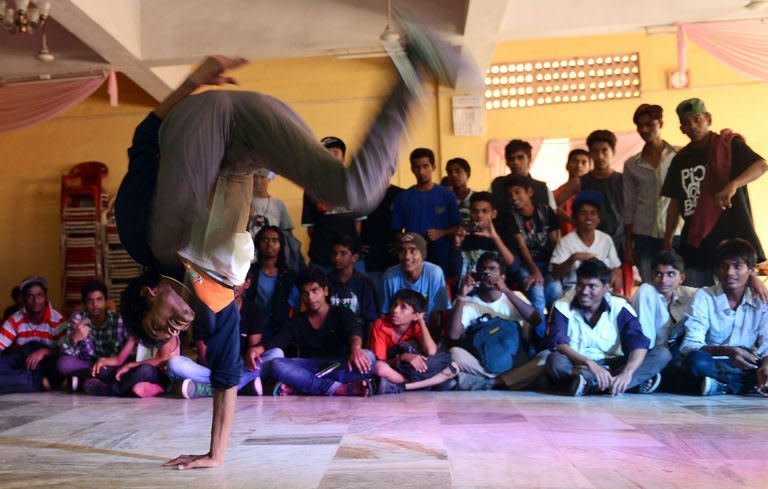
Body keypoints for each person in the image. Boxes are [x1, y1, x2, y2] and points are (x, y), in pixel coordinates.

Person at [115, 20, 474, 468]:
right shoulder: (217, 304)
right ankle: (412, 66)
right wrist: (215, 454)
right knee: (356, 193)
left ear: (150, 293)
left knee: (170, 245)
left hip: (203, 121)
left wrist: (193, 80)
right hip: (251, 138)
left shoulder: (140, 238)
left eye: (160, 325)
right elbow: (227, 378)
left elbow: (144, 143)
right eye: (169, 335)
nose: (172, 332)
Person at [661, 98, 767, 287]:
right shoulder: (680, 159)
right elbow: (675, 202)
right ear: (681, 129)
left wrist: (733, 184)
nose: (692, 126)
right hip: (696, 240)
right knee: (697, 297)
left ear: (708, 119)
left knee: (732, 298)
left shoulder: (728, 145)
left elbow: (761, 165)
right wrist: (668, 238)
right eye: (686, 123)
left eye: (697, 119)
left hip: (730, 235)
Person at [545, 259, 671, 396]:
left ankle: (591, 385)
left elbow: (639, 343)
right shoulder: (562, 306)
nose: (584, 291)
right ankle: (628, 384)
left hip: (615, 364)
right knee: (555, 361)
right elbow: (560, 344)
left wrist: (627, 373)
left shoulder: (620, 307)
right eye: (580, 285)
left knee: (662, 354)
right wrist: (589, 363)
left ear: (606, 288)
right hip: (580, 364)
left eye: (592, 286)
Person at [260, 269, 375, 396]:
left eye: (315, 291)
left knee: (369, 357)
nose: (310, 298)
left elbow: (354, 331)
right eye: (305, 293)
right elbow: (278, 341)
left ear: (325, 291)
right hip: (308, 366)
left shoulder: (342, 312)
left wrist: (356, 348)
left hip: (338, 365)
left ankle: (301, 386)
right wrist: (258, 348)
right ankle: (338, 388)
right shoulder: (297, 320)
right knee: (277, 364)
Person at [447, 252, 548, 391]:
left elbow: (536, 320)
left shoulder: (514, 296)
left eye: (492, 269)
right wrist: (461, 295)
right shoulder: (467, 302)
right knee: (454, 353)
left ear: (502, 276)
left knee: (546, 358)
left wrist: (506, 290)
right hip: (484, 363)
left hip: (516, 361)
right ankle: (509, 381)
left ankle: (489, 383)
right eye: (482, 269)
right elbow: (453, 335)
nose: (487, 273)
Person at [168, 275, 280, 399]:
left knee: (276, 354)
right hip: (213, 371)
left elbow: (252, 356)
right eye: (228, 280)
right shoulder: (206, 311)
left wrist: (240, 365)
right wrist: (226, 371)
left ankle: (208, 389)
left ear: (247, 283)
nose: (233, 285)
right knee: (174, 363)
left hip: (242, 368)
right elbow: (205, 359)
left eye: (237, 280)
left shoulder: (254, 310)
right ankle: (242, 387)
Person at [681, 239, 768, 396]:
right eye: (724, 266)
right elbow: (690, 344)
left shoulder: (760, 300)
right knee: (696, 362)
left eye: (737, 266)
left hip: (747, 363)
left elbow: (766, 344)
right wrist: (729, 352)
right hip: (714, 360)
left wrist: (765, 365)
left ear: (750, 270)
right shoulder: (704, 296)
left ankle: (719, 386)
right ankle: (742, 386)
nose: (729, 273)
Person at [623, 104, 679, 282]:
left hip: (677, 234)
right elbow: (629, 205)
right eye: (640, 126)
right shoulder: (632, 164)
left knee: (677, 287)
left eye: (649, 124)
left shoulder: (679, 155)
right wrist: (629, 245)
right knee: (649, 286)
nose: (644, 130)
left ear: (660, 123)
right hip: (644, 236)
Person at [506, 175, 562, 340]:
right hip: (526, 264)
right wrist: (535, 271)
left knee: (555, 289)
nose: (514, 198)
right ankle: (540, 340)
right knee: (537, 291)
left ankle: (559, 334)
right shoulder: (511, 217)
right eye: (510, 195)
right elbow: (522, 247)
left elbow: (554, 242)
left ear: (529, 192)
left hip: (549, 262)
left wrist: (553, 269)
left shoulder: (545, 211)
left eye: (518, 192)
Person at [370, 289, 458, 394]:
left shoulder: (416, 326)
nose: (395, 310)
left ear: (415, 315)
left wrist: (421, 321)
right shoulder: (381, 324)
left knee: (453, 366)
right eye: (395, 305)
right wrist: (403, 357)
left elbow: (431, 352)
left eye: (403, 307)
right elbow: (381, 361)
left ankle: (403, 386)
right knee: (379, 368)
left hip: (415, 370)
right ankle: (430, 384)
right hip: (397, 368)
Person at [391, 147, 462, 271]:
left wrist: (441, 233)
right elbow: (396, 231)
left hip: (442, 256)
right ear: (412, 169)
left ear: (433, 167)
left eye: (425, 166)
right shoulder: (403, 198)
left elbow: (458, 227)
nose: (421, 171)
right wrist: (409, 240)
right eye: (417, 167)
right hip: (413, 258)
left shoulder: (447, 195)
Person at [301, 136, 365, 272]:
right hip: (322, 257)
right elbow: (310, 228)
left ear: (343, 157)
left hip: (351, 257)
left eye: (335, 153)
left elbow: (358, 225)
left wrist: (347, 250)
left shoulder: (354, 184)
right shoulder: (312, 186)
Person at [56, 280, 128, 390]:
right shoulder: (78, 318)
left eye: (99, 299)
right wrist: (74, 339)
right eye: (90, 301)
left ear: (106, 301)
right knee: (63, 363)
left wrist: (111, 362)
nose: (95, 305)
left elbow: (126, 352)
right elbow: (67, 353)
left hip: (110, 364)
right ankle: (95, 379)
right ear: (85, 304)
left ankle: (86, 380)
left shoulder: (117, 319)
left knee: (116, 368)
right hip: (87, 364)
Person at [0, 276, 65, 394]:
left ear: (45, 297)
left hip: (45, 364)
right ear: (23, 299)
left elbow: (66, 350)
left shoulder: (58, 321)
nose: (35, 300)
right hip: (22, 361)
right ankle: (32, 382)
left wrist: (44, 352)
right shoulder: (15, 319)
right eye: (30, 296)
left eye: (39, 295)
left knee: (57, 364)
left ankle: (35, 381)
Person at [550, 191, 622, 292]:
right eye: (583, 213)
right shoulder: (565, 242)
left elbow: (616, 267)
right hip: (573, 291)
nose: (589, 217)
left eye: (593, 213)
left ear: (598, 219)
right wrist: (573, 258)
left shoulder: (606, 239)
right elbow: (555, 274)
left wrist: (616, 273)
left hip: (600, 293)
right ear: (575, 218)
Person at [244, 226, 299, 340]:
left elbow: (294, 307)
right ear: (258, 243)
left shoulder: (288, 276)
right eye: (265, 240)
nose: (269, 244)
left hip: (278, 333)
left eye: (275, 240)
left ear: (281, 245)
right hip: (249, 330)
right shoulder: (248, 271)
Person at [381, 232, 450, 322]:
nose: (407, 256)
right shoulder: (390, 275)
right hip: (398, 330)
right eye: (402, 251)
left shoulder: (434, 273)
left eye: (413, 250)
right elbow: (385, 312)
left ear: (423, 254)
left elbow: (437, 313)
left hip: (425, 328)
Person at [449, 191, 517, 281]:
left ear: (493, 214)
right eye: (474, 211)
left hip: (495, 288)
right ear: (470, 213)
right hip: (468, 288)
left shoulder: (503, 234)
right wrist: (457, 245)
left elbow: (514, 267)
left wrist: (495, 238)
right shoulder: (463, 234)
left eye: (485, 211)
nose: (479, 215)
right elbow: (453, 272)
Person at [328, 235, 379, 342]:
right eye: (334, 253)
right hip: (331, 339)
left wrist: (368, 348)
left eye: (343, 253)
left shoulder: (365, 283)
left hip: (358, 339)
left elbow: (370, 320)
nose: (337, 258)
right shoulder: (325, 282)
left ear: (354, 258)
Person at [490, 139, 556, 214]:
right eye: (511, 159)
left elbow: (552, 216)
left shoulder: (542, 188)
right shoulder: (497, 185)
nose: (516, 162)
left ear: (529, 159)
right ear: (507, 162)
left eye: (520, 157)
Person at [553, 149, 591, 236]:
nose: (579, 166)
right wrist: (571, 220)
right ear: (567, 165)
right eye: (575, 161)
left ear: (590, 167)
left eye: (584, 162)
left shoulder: (594, 194)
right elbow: (550, 208)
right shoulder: (555, 194)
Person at [248, 168, 293, 239]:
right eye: (255, 177)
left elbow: (287, 231)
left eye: (262, 177)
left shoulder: (278, 204)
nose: (258, 181)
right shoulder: (244, 202)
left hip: (272, 248)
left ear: (269, 179)